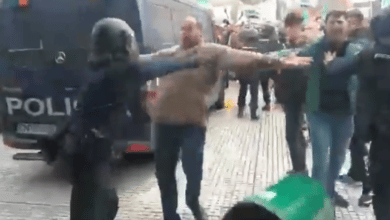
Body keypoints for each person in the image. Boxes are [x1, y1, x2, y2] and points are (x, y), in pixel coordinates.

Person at [145, 16, 312, 220]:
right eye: (182, 29)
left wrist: (278, 61)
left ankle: (192, 200)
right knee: (164, 175)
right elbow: (142, 66)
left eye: (189, 28)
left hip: (192, 124)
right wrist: (147, 101)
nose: (184, 33)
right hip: (162, 124)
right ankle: (170, 215)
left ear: (201, 32)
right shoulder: (170, 54)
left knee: (193, 170)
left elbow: (245, 58)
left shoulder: (213, 52)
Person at [61, 17, 202, 220]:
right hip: (91, 153)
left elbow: (145, 62)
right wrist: (194, 60)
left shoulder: (101, 66)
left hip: (83, 150)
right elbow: (155, 67)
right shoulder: (120, 70)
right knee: (101, 204)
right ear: (124, 43)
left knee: (95, 202)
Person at [298, 10, 369, 208]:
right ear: (325, 26)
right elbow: (294, 56)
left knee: (338, 158)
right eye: (333, 22)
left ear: (347, 26)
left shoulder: (356, 51)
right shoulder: (315, 49)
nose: (337, 25)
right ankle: (316, 199)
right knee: (321, 160)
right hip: (319, 112)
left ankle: (328, 193)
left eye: (341, 22)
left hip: (346, 114)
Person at [354, 8, 390, 219]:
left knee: (383, 194)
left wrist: (363, 134)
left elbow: (364, 100)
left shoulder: (369, 55)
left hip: (382, 138)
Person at [339, 8, 373, 207]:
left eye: (348, 21)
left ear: (357, 22)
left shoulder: (355, 44)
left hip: (358, 101)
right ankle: (356, 174)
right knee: (356, 142)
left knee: (359, 143)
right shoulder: (369, 41)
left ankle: (368, 188)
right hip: (365, 100)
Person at [272, 10, 311, 176]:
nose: (290, 31)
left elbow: (300, 72)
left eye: (293, 27)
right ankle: (300, 167)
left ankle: (300, 170)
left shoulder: (304, 48)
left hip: (297, 96)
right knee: (297, 133)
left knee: (292, 134)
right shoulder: (288, 46)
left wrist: (284, 67)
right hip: (290, 96)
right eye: (288, 27)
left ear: (300, 28)